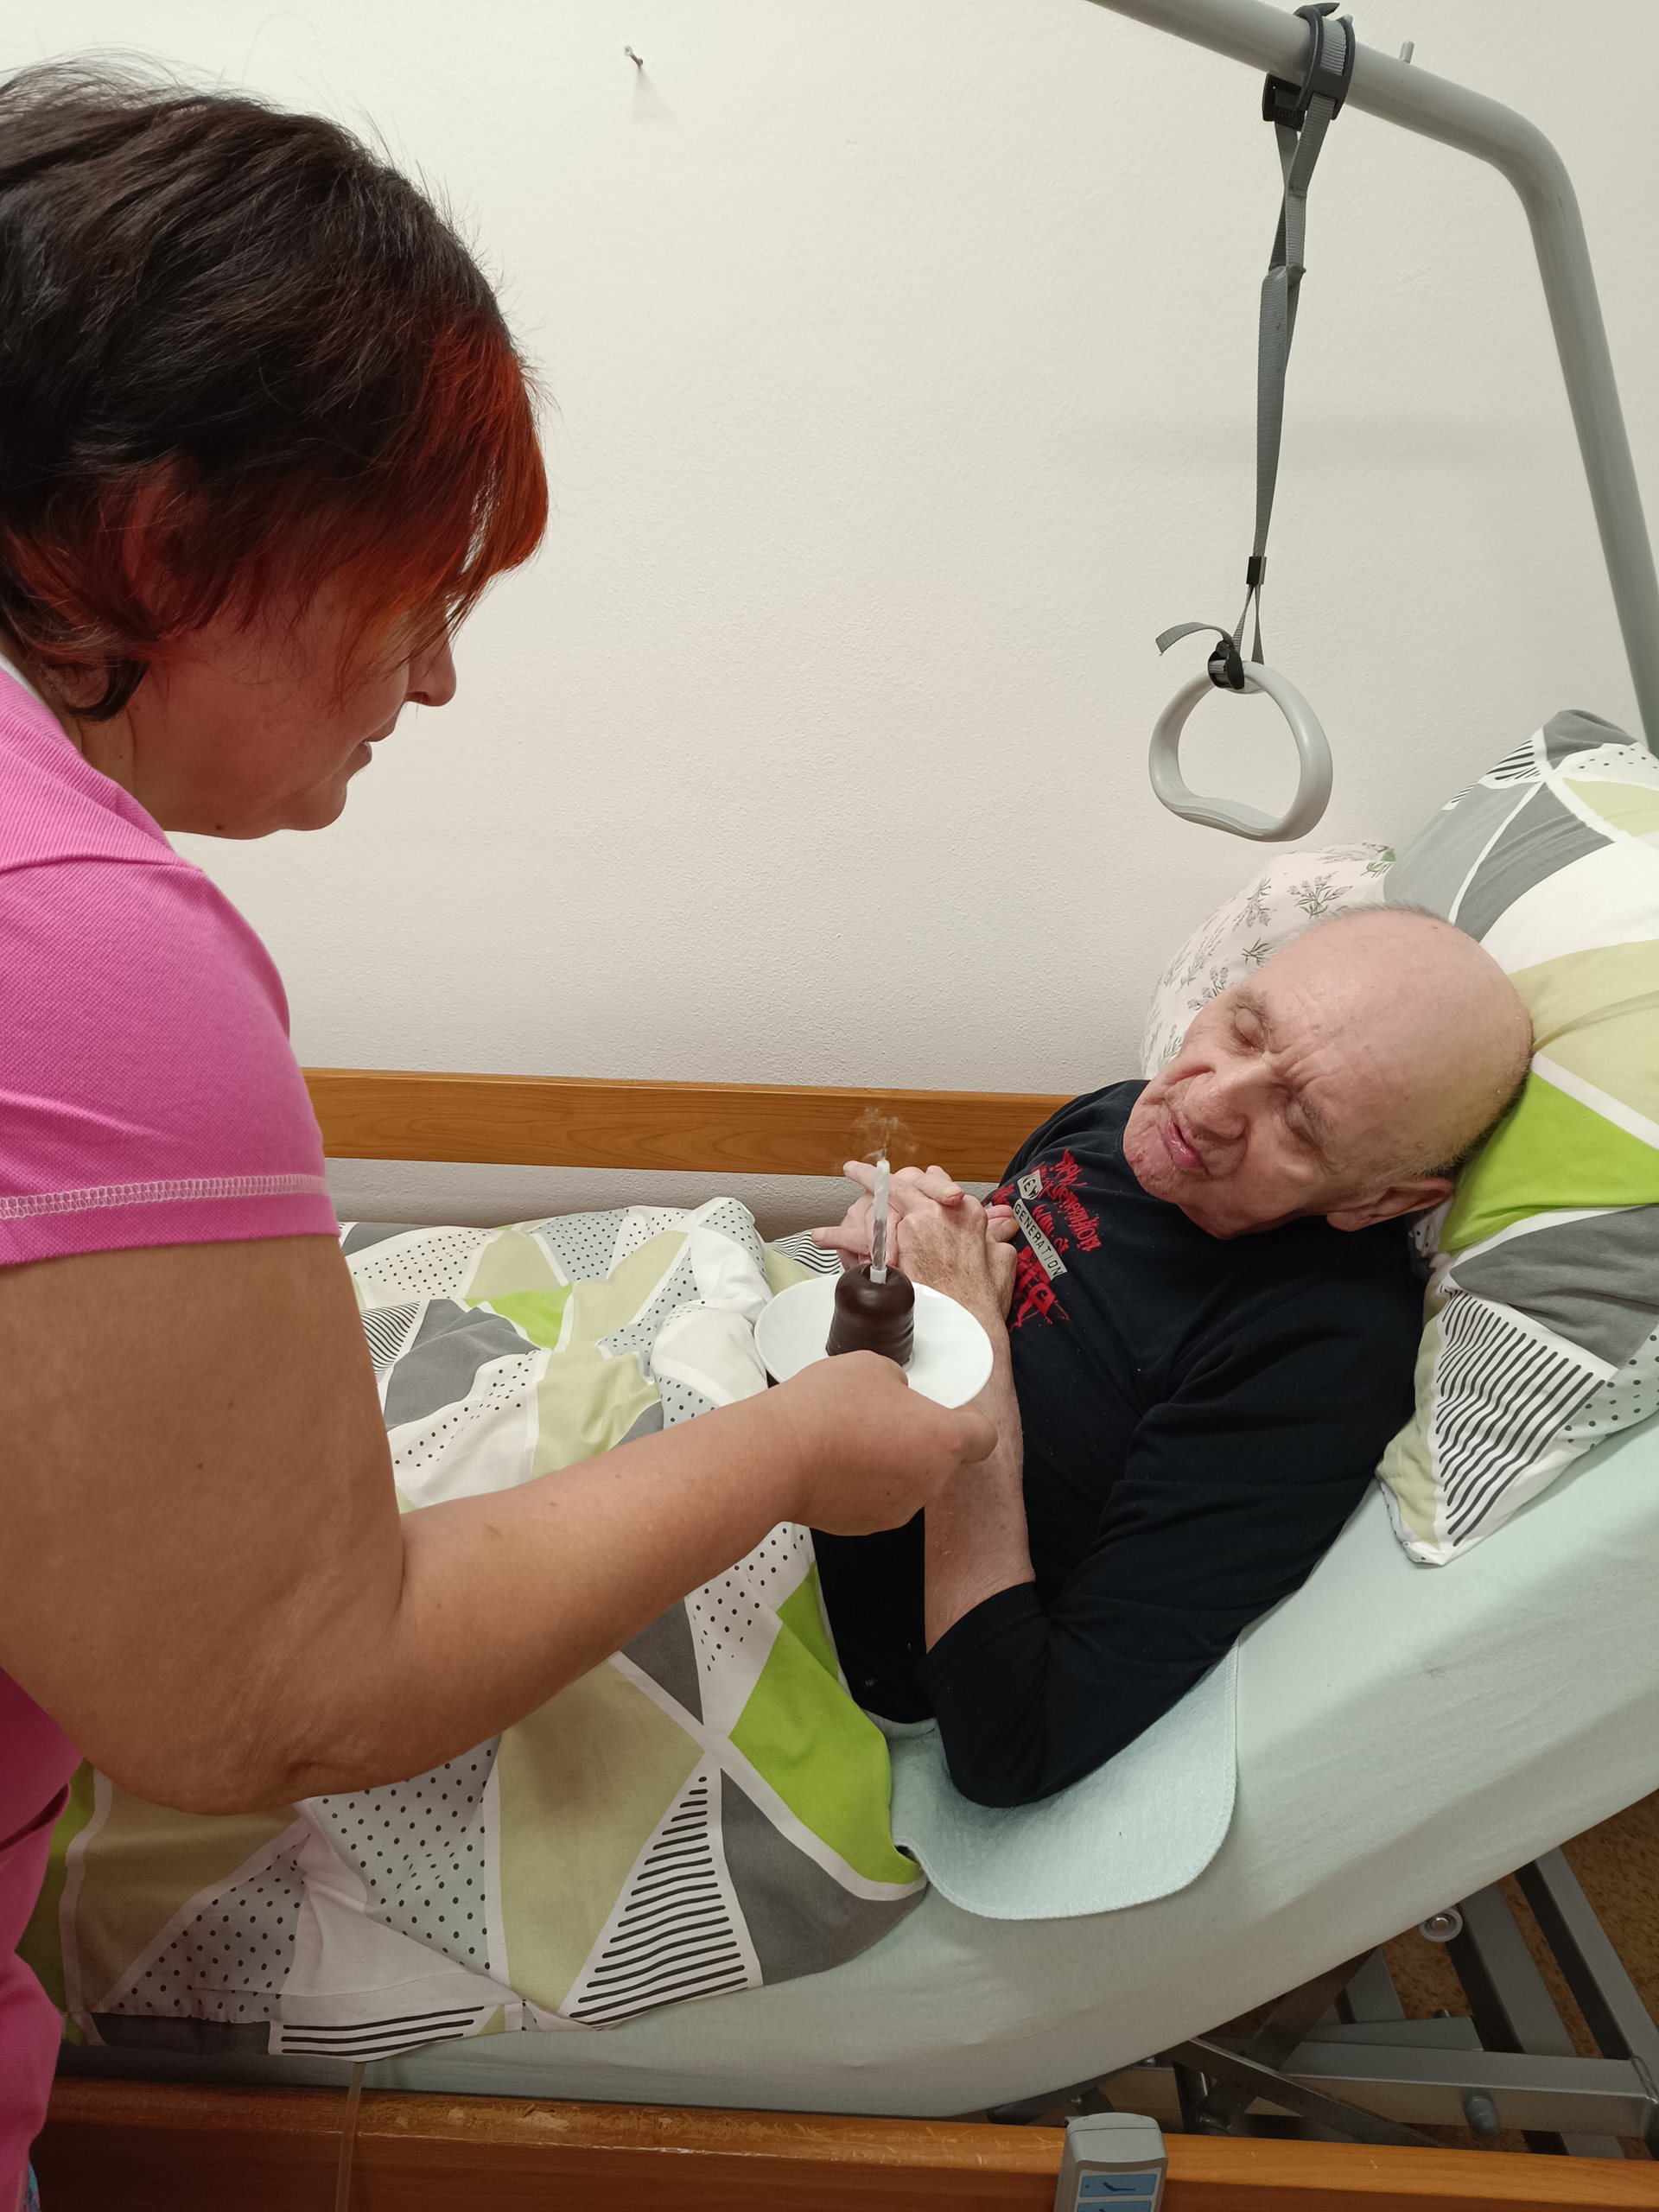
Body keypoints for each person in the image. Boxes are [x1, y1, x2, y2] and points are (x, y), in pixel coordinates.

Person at [0, 66, 995, 2202]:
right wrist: (799, 1447)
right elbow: (280, 1691)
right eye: (414, 593)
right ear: (163, 541)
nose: (435, 679)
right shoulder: (74, 933)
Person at [810, 908, 1534, 1808]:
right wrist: (899, 1279)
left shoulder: (1317, 1358)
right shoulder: (1119, 1118)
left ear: (1382, 1200)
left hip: (828, 1626)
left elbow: (1012, 1743)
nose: (1206, 1101)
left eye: (1301, 1124)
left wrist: (968, 1337)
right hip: (792, 1438)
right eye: (1245, 1028)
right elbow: (986, 1278)